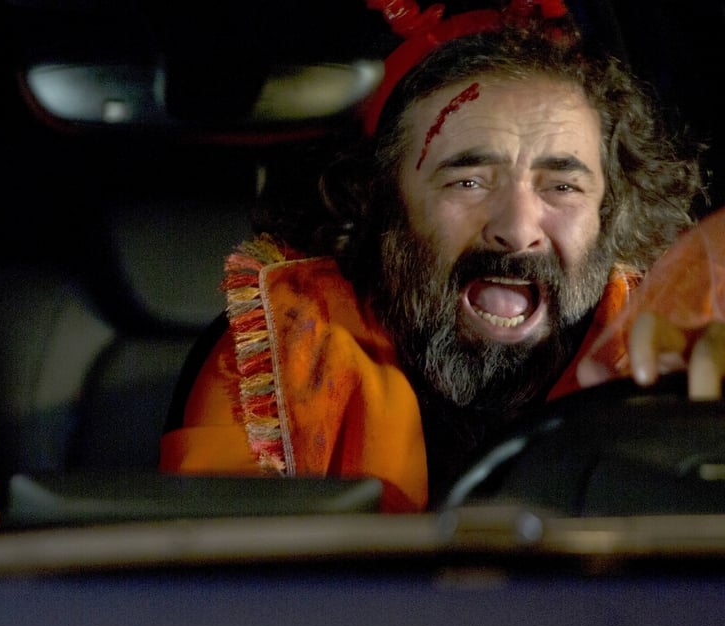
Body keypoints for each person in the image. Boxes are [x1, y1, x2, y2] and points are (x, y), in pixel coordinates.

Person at [159, 0, 714, 512]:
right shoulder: (275, 358)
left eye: (562, 187)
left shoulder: (674, 349)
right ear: (378, 202)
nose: (516, 230)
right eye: (468, 182)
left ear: (609, 214)